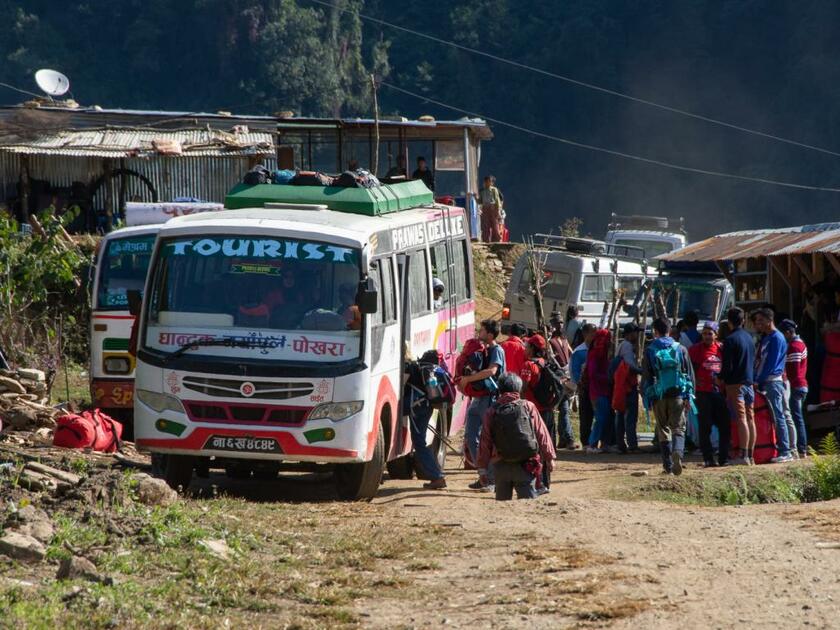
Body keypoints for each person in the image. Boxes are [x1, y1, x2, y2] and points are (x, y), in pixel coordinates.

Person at [476, 373, 556, 501]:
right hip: (526, 465)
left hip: (501, 465)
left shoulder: (491, 411)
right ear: (519, 388)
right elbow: (542, 433)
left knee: (502, 506)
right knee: (527, 506)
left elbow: (485, 442)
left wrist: (482, 469)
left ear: (500, 389)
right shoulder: (528, 406)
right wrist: (549, 457)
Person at [642, 317, 695, 475]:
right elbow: (689, 374)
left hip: (659, 395)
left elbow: (647, 376)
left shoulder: (650, 349)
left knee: (663, 429)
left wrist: (648, 397)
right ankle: (678, 451)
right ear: (670, 330)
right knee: (678, 428)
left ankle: (668, 465)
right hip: (678, 393)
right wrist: (689, 396)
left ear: (655, 331)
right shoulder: (680, 348)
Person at [458, 319, 505, 491]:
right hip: (478, 399)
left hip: (490, 399)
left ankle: (491, 479)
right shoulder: (482, 349)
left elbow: (492, 371)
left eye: (483, 330)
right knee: (471, 436)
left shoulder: (496, 350)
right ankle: (483, 474)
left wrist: (468, 379)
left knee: (488, 441)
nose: (479, 332)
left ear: (490, 334)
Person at [752, 308, 793, 463]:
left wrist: (758, 380)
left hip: (773, 382)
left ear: (770, 320)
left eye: (761, 320)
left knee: (779, 415)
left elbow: (770, 363)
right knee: (775, 416)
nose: (758, 323)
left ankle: (786, 451)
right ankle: (780, 448)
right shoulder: (767, 337)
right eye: (757, 321)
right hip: (766, 381)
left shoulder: (776, 338)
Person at [403, 349, 446, 489]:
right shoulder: (425, 369)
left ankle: (437, 477)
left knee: (419, 442)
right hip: (427, 406)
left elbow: (401, 386)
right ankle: (436, 476)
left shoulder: (411, 367)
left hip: (417, 407)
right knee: (420, 441)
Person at [689, 322, 729, 467]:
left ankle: (724, 458)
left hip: (719, 393)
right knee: (704, 427)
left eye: (710, 334)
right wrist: (694, 383)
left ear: (716, 335)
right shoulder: (695, 350)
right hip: (703, 394)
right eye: (704, 333)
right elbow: (689, 369)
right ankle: (708, 458)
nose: (706, 336)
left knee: (724, 426)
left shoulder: (722, 349)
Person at [520, 334, 557, 489]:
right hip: (548, 410)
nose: (525, 348)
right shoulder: (545, 363)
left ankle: (537, 483)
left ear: (533, 348)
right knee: (547, 446)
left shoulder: (528, 365)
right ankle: (546, 483)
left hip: (534, 412)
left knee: (534, 447)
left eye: (527, 345)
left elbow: (523, 388)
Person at [721, 307, 756, 466]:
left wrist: (720, 379)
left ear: (729, 322)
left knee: (741, 418)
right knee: (750, 418)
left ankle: (743, 456)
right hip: (749, 383)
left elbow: (727, 367)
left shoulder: (729, 340)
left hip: (735, 384)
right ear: (743, 320)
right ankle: (751, 455)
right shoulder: (750, 338)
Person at [780, 319, 808, 458]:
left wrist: (787, 384)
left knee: (796, 417)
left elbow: (795, 372)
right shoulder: (800, 343)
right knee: (797, 417)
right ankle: (801, 448)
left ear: (789, 332)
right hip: (801, 386)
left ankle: (801, 448)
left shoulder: (794, 347)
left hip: (796, 386)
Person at [548, 312, 577, 449]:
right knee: (561, 409)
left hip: (566, 376)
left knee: (564, 409)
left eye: (560, 322)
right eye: (556, 323)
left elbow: (572, 354)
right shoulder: (550, 342)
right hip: (557, 379)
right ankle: (568, 438)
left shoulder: (564, 341)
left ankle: (565, 439)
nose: (559, 325)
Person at [615, 323, 644, 453]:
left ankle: (620, 443)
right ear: (630, 333)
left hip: (621, 385)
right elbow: (629, 366)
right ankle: (632, 445)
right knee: (630, 416)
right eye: (635, 333)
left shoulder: (621, 345)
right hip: (627, 385)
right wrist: (641, 371)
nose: (637, 335)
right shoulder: (627, 346)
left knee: (621, 415)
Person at [585, 328, 613, 454]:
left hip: (603, 391)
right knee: (600, 418)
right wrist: (608, 378)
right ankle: (592, 444)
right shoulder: (595, 354)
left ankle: (603, 443)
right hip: (597, 391)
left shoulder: (603, 355)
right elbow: (592, 374)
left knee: (604, 417)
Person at [571, 323, 596, 445]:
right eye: (592, 333)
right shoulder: (579, 352)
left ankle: (595, 441)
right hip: (585, 389)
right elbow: (574, 372)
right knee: (586, 416)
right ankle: (586, 442)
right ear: (585, 334)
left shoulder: (598, 349)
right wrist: (580, 385)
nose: (594, 335)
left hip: (597, 388)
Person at [478, 175, 503, 242]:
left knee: (495, 224)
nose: (487, 183)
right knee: (485, 225)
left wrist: (498, 210)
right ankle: (486, 240)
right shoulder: (482, 191)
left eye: (489, 181)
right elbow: (480, 201)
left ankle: (497, 240)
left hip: (493, 208)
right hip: (485, 208)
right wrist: (475, 198)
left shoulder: (494, 190)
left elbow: (497, 200)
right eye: (486, 181)